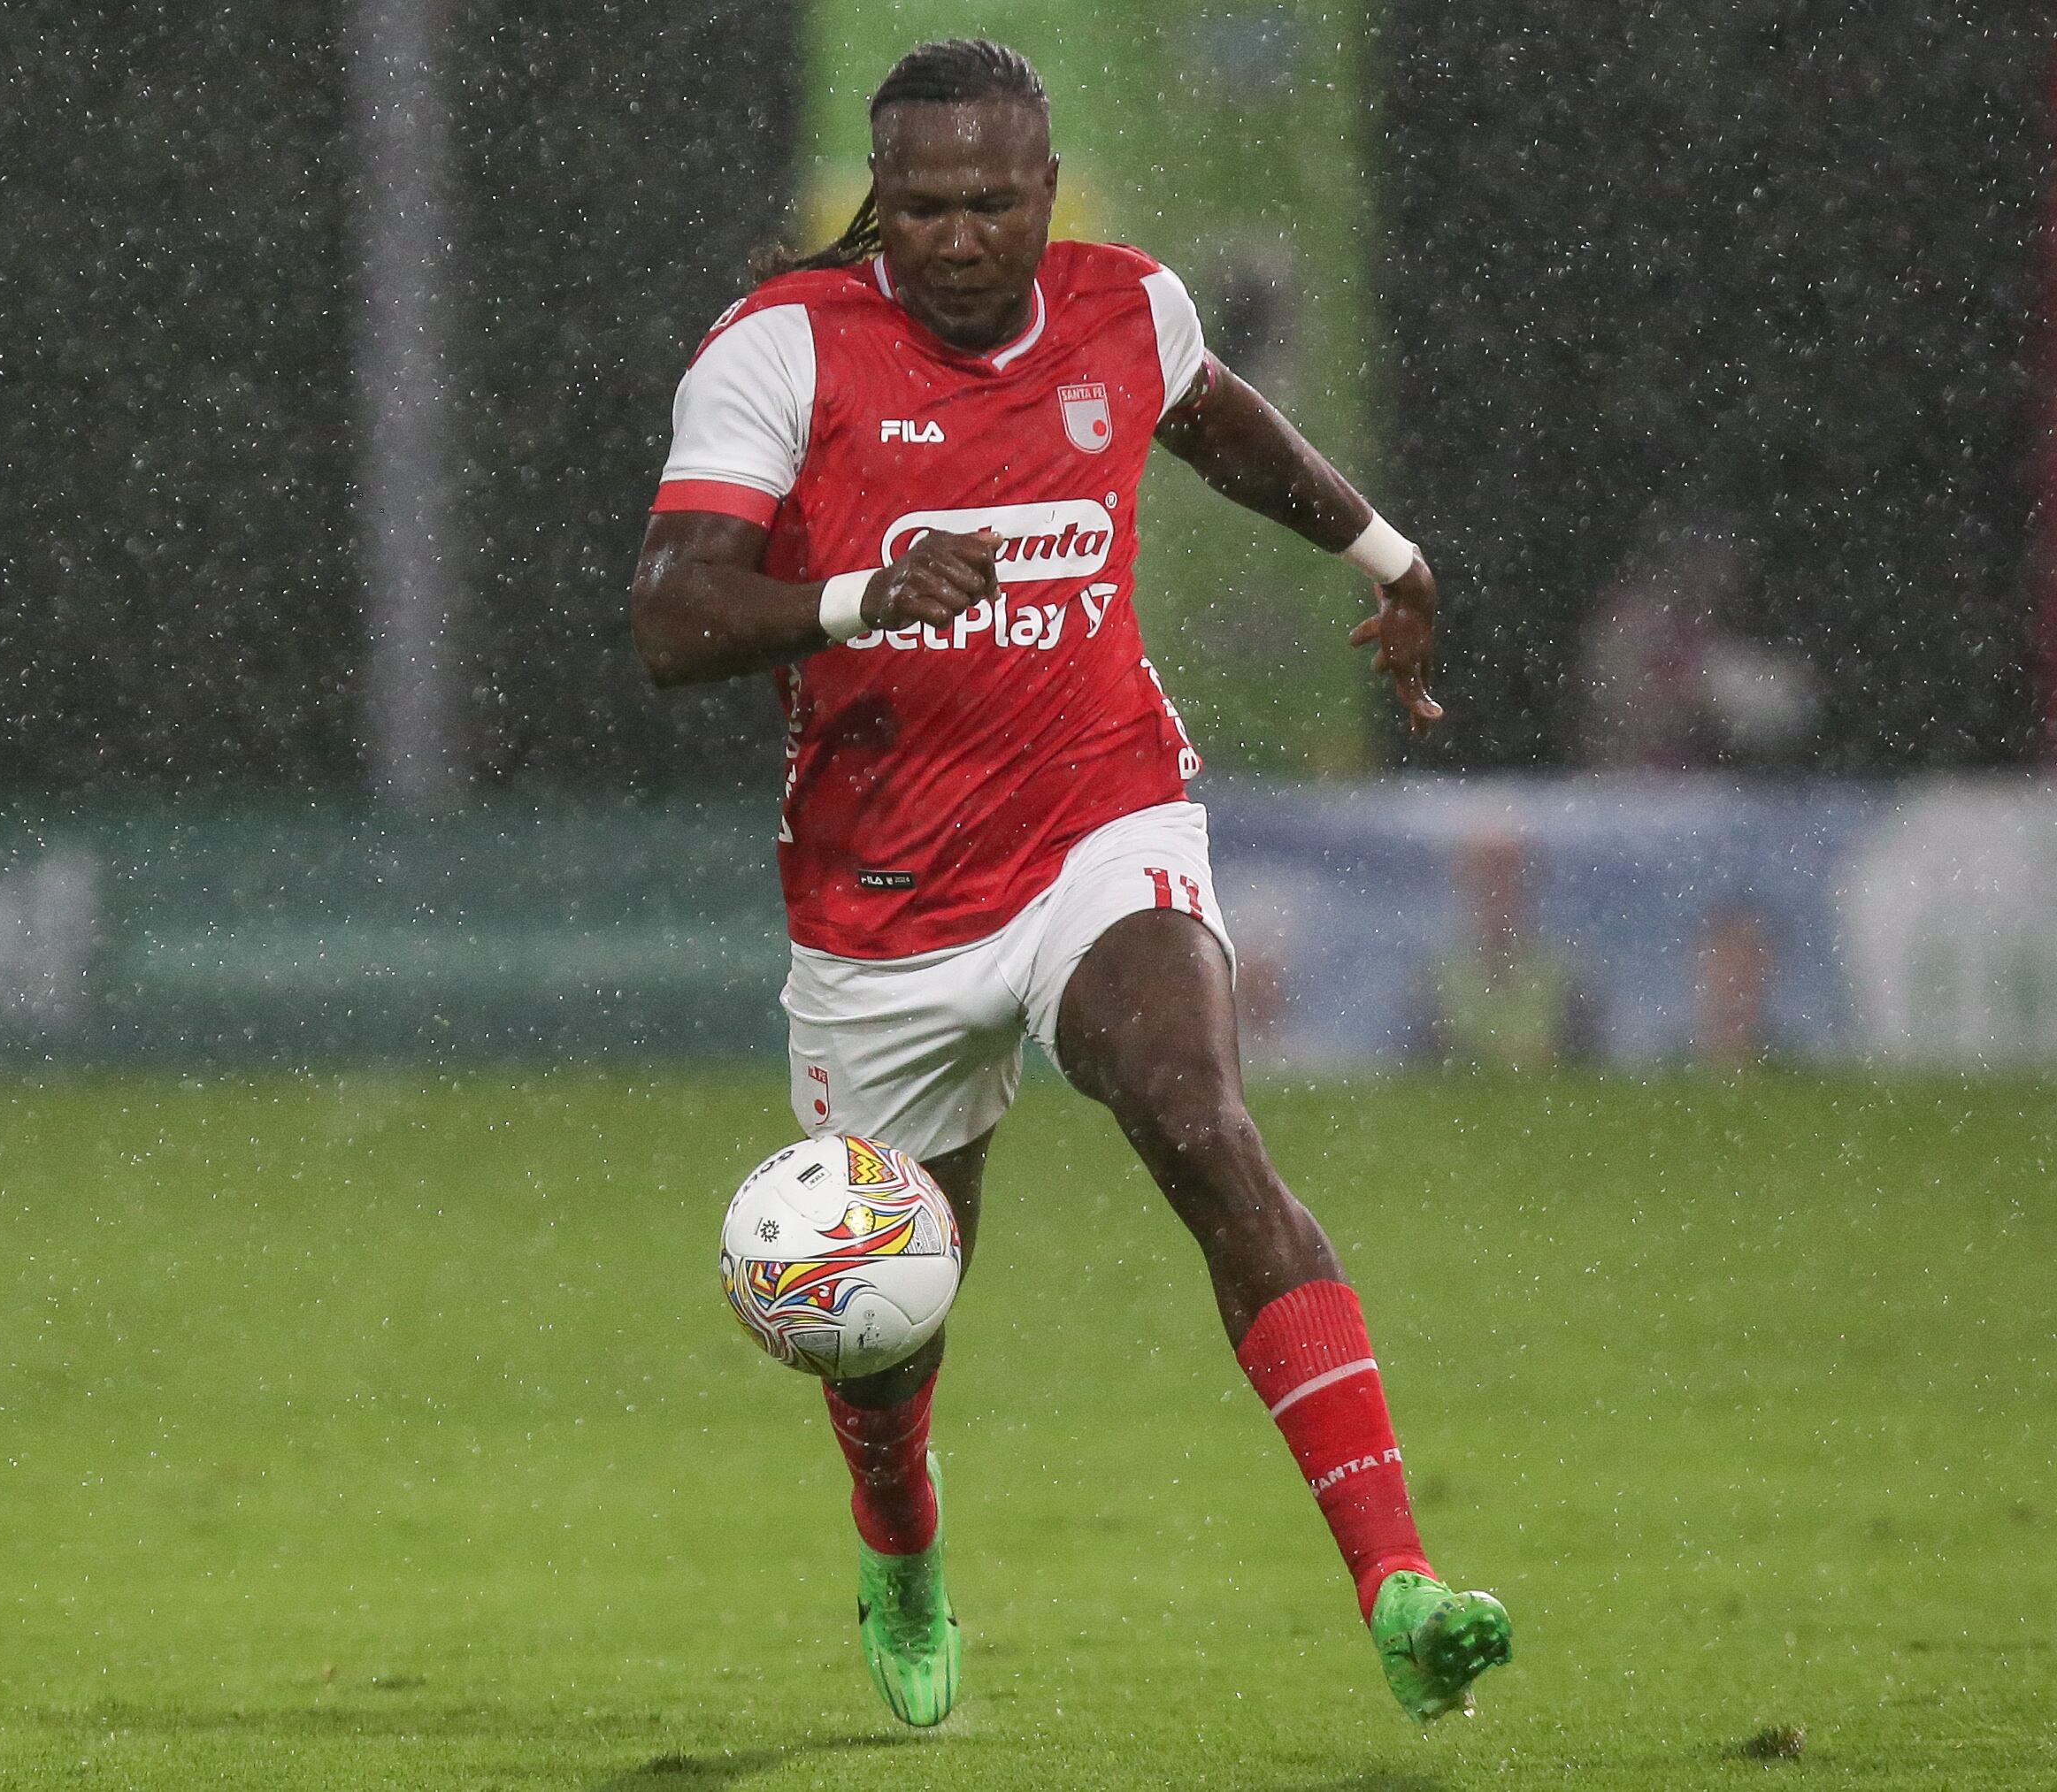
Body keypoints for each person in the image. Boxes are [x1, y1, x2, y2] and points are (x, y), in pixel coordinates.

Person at [629, 38, 1508, 1729]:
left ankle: (1399, 1581)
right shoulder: (777, 355)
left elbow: (1218, 423)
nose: (957, 240)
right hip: (879, 900)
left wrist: (1385, 555)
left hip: (1099, 816)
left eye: (992, 203)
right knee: (889, 1321)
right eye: (922, 208)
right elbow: (672, 616)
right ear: (876, 205)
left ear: (1047, 191)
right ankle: (900, 1545)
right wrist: (850, 598)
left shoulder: (1127, 307)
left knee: (1195, 1113)